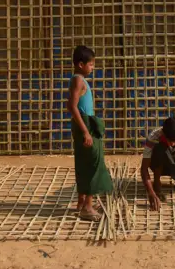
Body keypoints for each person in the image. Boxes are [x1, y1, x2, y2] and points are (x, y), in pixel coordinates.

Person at [67, 45, 113, 221]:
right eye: (91, 64)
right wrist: (86, 131)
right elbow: (72, 106)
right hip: (84, 124)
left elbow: (70, 104)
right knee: (94, 164)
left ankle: (81, 203)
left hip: (85, 122)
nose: (93, 68)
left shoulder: (78, 80)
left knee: (85, 163)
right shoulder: (78, 80)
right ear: (80, 64)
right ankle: (87, 206)